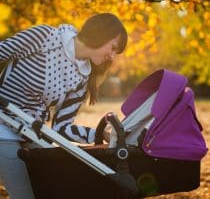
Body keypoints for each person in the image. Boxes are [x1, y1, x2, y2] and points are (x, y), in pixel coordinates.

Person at [0, 13, 128, 199]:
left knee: (52, 191)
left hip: (32, 133)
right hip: (3, 127)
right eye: (113, 47)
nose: (112, 56)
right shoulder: (45, 37)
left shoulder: (83, 77)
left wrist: (102, 135)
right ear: (100, 34)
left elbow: (62, 128)